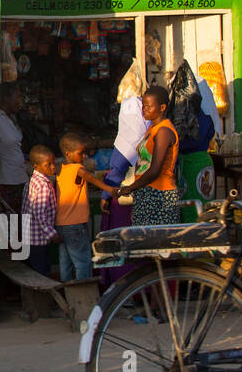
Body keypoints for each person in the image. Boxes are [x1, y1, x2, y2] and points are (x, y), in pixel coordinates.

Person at [99, 61, 149, 289]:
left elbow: (117, 169)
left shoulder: (127, 139)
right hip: (145, 195)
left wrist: (104, 195)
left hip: (124, 199)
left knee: (122, 244)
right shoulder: (151, 133)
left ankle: (122, 289)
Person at [54, 133, 116, 282]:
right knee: (83, 262)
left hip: (61, 223)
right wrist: (110, 189)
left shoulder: (60, 169)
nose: (84, 156)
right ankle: (84, 294)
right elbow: (92, 178)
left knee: (66, 262)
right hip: (75, 224)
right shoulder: (77, 169)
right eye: (80, 153)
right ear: (68, 153)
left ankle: (68, 293)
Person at [120, 86, 180, 226]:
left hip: (159, 195)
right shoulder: (152, 129)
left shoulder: (164, 131)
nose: (144, 110)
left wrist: (130, 187)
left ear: (162, 107)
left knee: (157, 242)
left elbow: (154, 171)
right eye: (143, 106)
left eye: (149, 106)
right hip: (146, 192)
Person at [22, 146, 60, 277]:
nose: (53, 167)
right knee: (42, 272)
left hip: (29, 236)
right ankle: (42, 297)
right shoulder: (43, 186)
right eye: (48, 165)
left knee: (33, 271)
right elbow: (39, 215)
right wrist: (52, 234)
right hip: (39, 238)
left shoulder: (32, 181)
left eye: (53, 163)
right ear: (36, 166)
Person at [0, 82, 29, 216]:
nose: (19, 101)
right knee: (13, 225)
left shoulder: (11, 118)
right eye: (17, 96)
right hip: (8, 183)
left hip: (20, 179)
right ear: (6, 98)